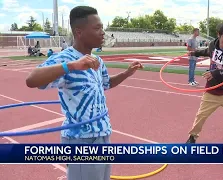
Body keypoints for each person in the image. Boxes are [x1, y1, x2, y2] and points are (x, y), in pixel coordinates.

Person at [25, 6, 143, 180]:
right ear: (79, 32)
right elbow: (32, 80)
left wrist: (127, 73)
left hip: (102, 134)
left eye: (102, 27)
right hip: (80, 139)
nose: (102, 32)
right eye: (97, 28)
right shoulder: (65, 58)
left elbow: (105, 84)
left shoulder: (98, 60)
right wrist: (71, 66)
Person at [186, 20, 223, 144]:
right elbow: (208, 51)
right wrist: (195, 53)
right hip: (211, 90)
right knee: (201, 115)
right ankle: (192, 137)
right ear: (219, 34)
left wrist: (216, 73)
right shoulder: (213, 44)